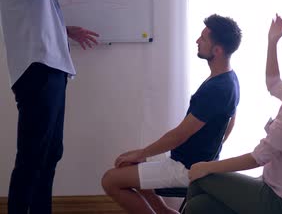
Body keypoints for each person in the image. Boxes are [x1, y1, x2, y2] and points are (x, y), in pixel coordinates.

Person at [0, 0, 138, 213]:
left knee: (49, 153)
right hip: (37, 72)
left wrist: (64, 30)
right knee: (33, 156)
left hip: (50, 71)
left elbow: (29, 18)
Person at [183, 15, 282, 214]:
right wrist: (272, 41)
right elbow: (274, 84)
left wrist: (207, 167)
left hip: (280, 200)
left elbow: (259, 157)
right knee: (199, 206)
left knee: (200, 176)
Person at [101, 14, 241, 214]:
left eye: (203, 38)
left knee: (110, 180)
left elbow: (178, 136)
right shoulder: (229, 78)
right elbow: (230, 123)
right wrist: (211, 152)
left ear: (217, 50)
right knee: (127, 167)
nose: (197, 41)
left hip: (185, 168)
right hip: (190, 162)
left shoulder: (217, 89)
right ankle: (166, 212)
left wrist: (141, 153)